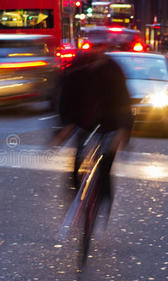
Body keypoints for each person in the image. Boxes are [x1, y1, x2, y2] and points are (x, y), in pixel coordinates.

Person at [56, 42, 133, 229]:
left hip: (110, 124)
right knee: (76, 165)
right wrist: (64, 126)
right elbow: (64, 97)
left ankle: (103, 207)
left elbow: (124, 102)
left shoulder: (113, 69)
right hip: (84, 122)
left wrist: (123, 132)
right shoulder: (77, 69)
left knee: (105, 168)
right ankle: (76, 203)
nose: (96, 54)